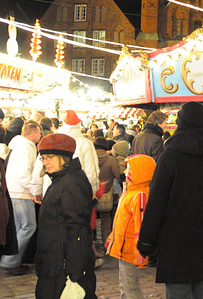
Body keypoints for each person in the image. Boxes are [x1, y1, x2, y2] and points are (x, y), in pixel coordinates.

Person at [138, 102, 203, 298]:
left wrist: (147, 241)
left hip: (175, 242)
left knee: (178, 291)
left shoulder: (170, 157)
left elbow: (157, 202)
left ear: (180, 123)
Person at [35, 133, 96, 299]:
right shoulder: (61, 179)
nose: (45, 162)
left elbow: (78, 230)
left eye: (50, 157)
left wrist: (75, 271)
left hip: (62, 266)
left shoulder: (72, 182)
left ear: (63, 158)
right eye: (43, 158)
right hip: (54, 261)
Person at [107, 154, 156, 299]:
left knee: (130, 287)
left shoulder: (140, 195)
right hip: (124, 248)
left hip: (130, 250)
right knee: (126, 285)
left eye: (130, 169)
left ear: (141, 171)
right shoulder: (131, 191)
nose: (126, 172)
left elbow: (140, 227)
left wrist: (139, 254)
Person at [0, 120, 42, 275]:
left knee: (20, 227)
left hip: (14, 191)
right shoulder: (27, 147)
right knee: (28, 226)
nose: (39, 135)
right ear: (32, 133)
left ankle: (11, 259)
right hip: (21, 192)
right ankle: (10, 261)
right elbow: (24, 173)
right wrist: (34, 190)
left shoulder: (19, 146)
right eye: (38, 133)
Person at [94, 137, 121, 249]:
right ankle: (107, 245)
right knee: (106, 221)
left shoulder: (90, 158)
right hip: (106, 194)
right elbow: (118, 177)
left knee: (91, 220)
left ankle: (92, 245)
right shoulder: (111, 160)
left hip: (92, 194)